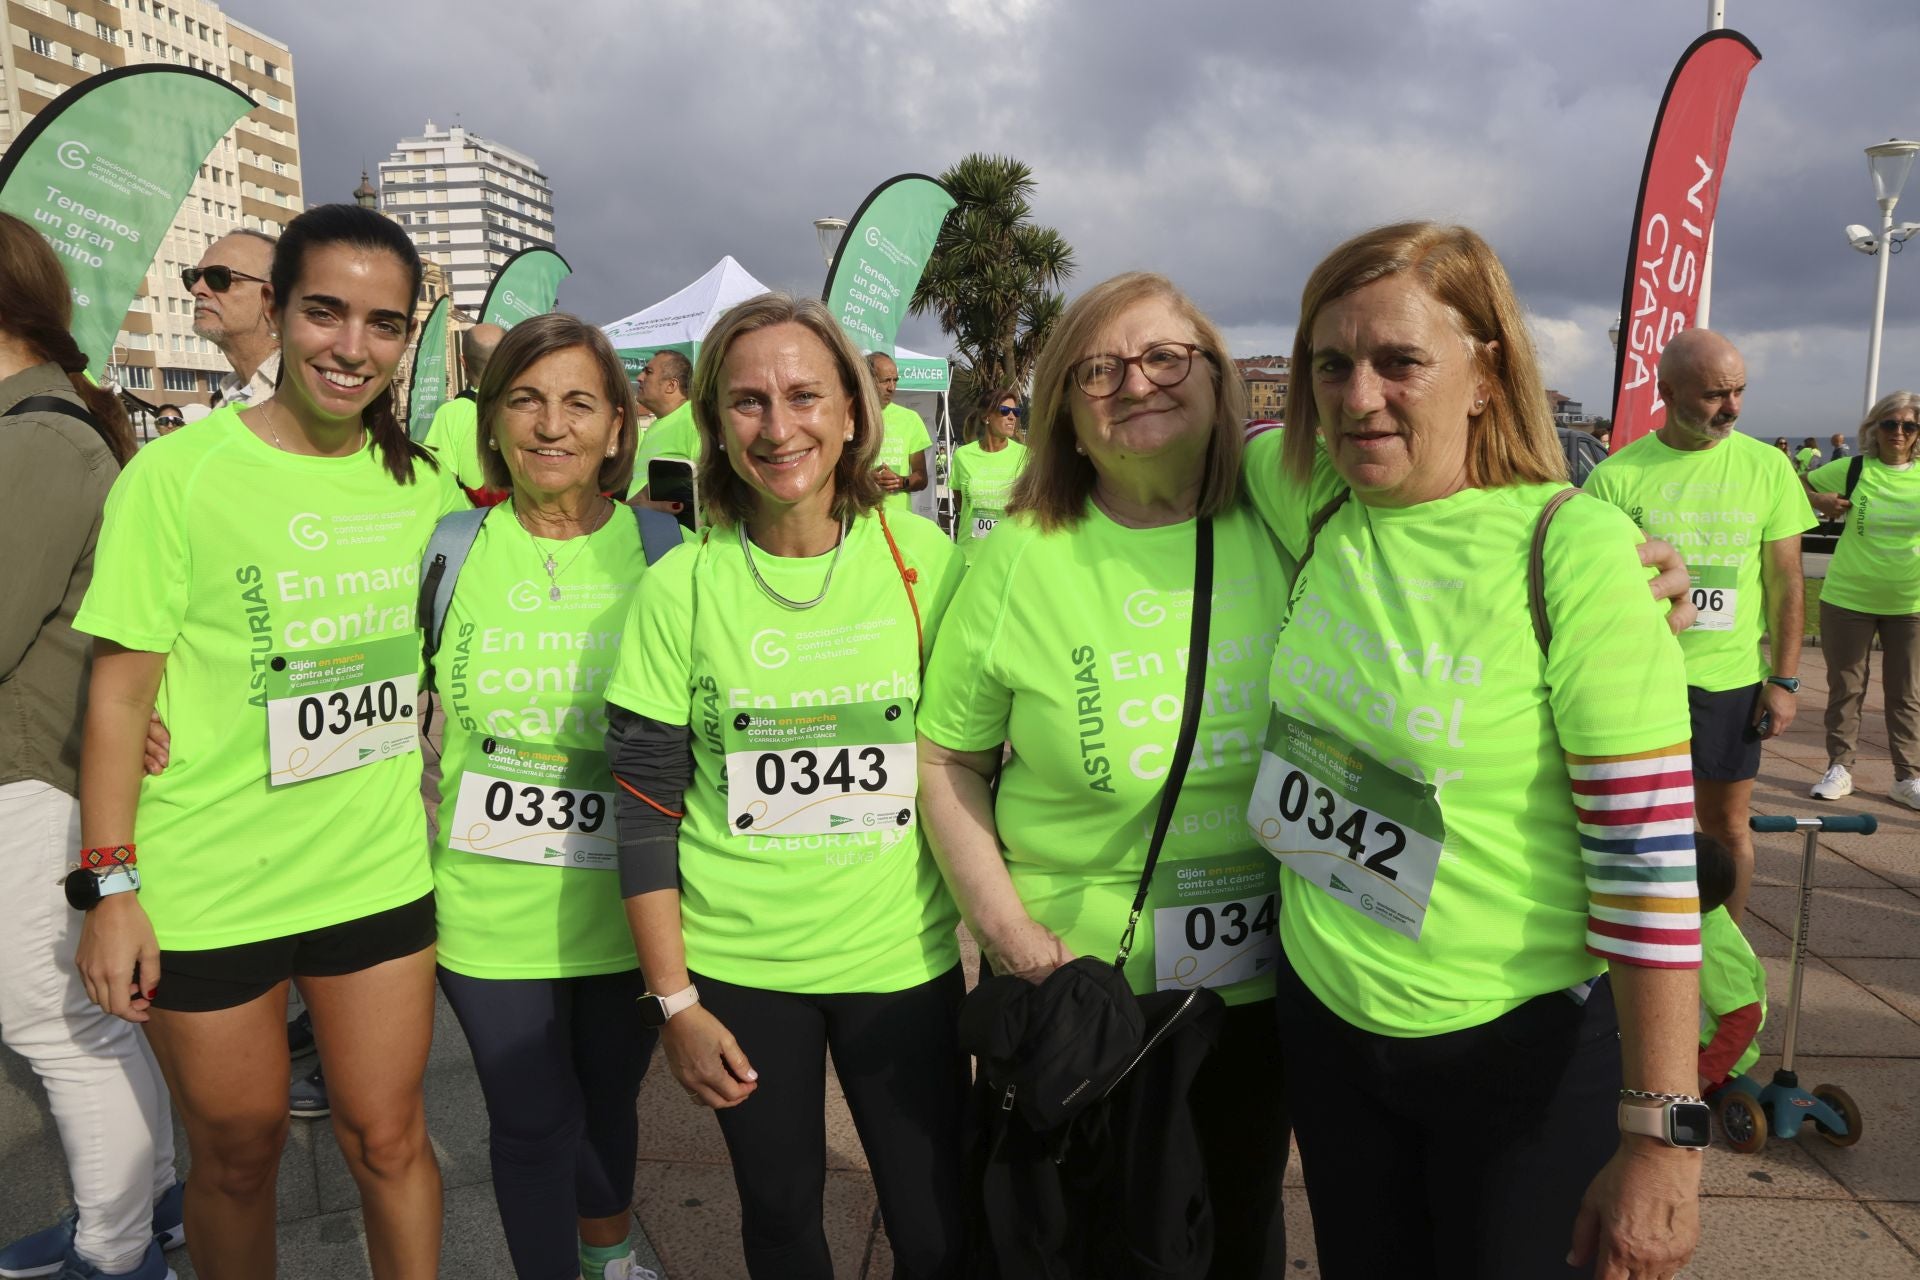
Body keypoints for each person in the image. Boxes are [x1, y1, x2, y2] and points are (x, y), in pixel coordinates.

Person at [1244, 222, 1705, 1280]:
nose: (1359, 397)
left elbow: (1646, 860)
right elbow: (1179, 435)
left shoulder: (1574, 549)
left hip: (1514, 1047)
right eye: (1331, 364)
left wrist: (1662, 1138)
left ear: (1487, 375)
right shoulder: (1314, 496)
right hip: (1326, 1021)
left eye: (1400, 361)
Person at [72, 204, 464, 1280]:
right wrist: (110, 887)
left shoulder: (428, 486)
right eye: (325, 312)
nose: (352, 346)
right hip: (209, 878)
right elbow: (118, 700)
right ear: (278, 312)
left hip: (373, 869)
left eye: (384, 323)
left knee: (389, 1138)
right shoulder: (177, 475)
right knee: (239, 1154)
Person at [918, 273, 1294, 1276]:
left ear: (1217, 379)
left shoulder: (1286, 524)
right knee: (1078, 1247)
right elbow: (946, 756)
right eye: (1099, 369)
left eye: (1165, 356)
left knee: (1241, 1228)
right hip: (1082, 996)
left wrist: (1608, 564)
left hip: (1265, 983)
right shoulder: (1023, 555)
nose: (1136, 382)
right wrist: (1013, 940)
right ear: (1067, 415)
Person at [605, 293, 967, 1279]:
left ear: (853, 411)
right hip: (743, 967)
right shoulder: (680, 584)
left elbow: (980, 762)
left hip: (901, 958)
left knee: (938, 1227)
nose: (779, 427)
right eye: (749, 401)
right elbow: (645, 807)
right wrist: (674, 1002)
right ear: (717, 424)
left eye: (804, 395)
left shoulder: (926, 564)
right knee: (779, 1218)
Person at [429, 313, 659, 1280]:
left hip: (632, 903)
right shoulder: (447, 546)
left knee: (607, 1105)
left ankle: (611, 1260)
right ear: (491, 420)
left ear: (617, 427)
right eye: (525, 399)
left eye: (578, 403)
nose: (551, 425)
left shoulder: (667, 548)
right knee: (530, 1121)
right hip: (490, 905)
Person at [0, 211, 183, 1280]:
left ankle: (116, 1252)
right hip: (45, 760)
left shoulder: (35, 438)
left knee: (57, 1022)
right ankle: (147, 1207)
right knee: (81, 1018)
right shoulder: (46, 425)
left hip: (33, 767)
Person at [1587, 329, 1814, 924]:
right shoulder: (1615, 477)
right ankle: (1635, 945)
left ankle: (1724, 952)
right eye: (1714, 394)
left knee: (1726, 826)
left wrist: (1784, 680)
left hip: (1728, 683)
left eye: (1739, 391)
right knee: (1631, 827)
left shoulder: (1768, 467)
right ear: (1667, 392)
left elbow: (1786, 581)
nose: (1731, 407)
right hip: (1639, 682)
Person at [1803, 392, 1920, 807]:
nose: (1899, 432)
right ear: (1874, 428)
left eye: (1909, 425)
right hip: (1847, 597)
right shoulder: (1853, 468)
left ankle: (1907, 777)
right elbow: (1792, 484)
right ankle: (1840, 768)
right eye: (1890, 423)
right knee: (1846, 689)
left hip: (1910, 603)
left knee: (1906, 694)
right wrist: (1818, 500)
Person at [1692, 835, 1765, 1095]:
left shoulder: (1711, 950)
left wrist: (1704, 1074)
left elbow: (1745, 1017)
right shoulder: (1710, 912)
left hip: (1706, 1050)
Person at [188, 229, 279, 409]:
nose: (196, 289)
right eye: (194, 277)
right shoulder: (229, 396)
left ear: (271, 298)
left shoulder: (306, 392)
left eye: (218, 277)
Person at [421, 322, 506, 495]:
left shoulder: (451, 414)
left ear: (463, 362)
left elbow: (438, 484)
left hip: (478, 512)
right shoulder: (529, 404)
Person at [946, 387, 1028, 562]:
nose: (1012, 417)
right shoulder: (963, 456)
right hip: (970, 556)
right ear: (986, 417)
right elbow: (961, 503)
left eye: (1015, 412)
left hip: (1007, 557)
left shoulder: (1024, 456)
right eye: (1005, 411)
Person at [628, 349, 698, 509]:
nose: (639, 377)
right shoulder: (656, 425)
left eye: (648, 372)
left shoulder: (694, 418)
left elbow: (713, 480)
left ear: (671, 385)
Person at [866, 352, 930, 513]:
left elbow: (921, 477)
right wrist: (864, 479)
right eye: (886, 381)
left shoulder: (910, 419)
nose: (892, 388)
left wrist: (901, 482)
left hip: (898, 519)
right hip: (859, 516)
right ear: (867, 379)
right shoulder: (850, 417)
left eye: (895, 380)